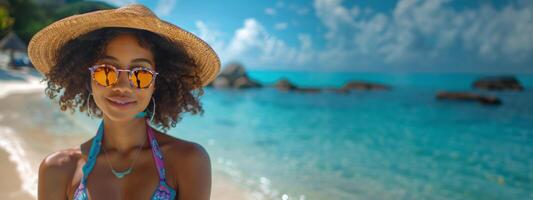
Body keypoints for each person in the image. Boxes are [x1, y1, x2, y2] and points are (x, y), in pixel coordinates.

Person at [28, 4, 220, 200]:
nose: (123, 86)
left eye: (141, 73)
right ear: (88, 78)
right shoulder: (58, 169)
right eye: (106, 70)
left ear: (156, 83)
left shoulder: (189, 161)